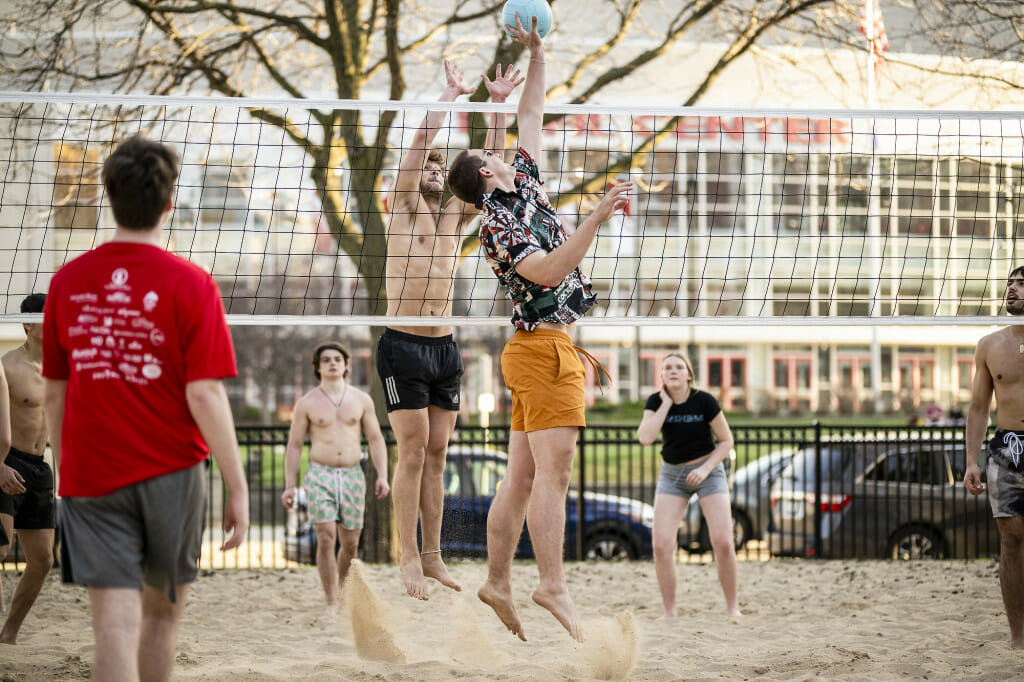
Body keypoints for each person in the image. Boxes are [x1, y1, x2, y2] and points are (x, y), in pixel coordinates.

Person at [447, 14, 633, 643]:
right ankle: (550, 583)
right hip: (544, 349)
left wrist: (539, 51)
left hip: (539, 349)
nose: (495, 149)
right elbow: (551, 271)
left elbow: (531, 114)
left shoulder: (520, 182)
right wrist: (597, 217)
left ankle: (498, 579)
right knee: (555, 475)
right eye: (487, 153)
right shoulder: (498, 225)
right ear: (484, 175)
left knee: (522, 478)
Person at [41, 135, 249, 681]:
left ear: (109, 195)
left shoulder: (66, 283)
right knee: (160, 620)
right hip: (173, 474)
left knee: (113, 625)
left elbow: (53, 394)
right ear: (169, 202)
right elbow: (204, 394)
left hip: (92, 475)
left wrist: (67, 476)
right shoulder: (193, 284)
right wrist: (238, 485)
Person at [378, 58, 522, 600]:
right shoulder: (403, 215)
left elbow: (491, 165)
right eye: (430, 170)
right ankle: (408, 557)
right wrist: (451, 95)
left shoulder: (455, 222)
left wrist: (499, 106)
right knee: (412, 452)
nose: (436, 174)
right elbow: (418, 142)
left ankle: (434, 556)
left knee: (437, 453)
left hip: (444, 348)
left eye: (443, 171)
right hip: (402, 345)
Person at [281, 342, 389, 614]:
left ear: (346, 364)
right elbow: (294, 445)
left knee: (350, 543)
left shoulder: (362, 399)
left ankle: (342, 594)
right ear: (317, 367)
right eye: (326, 359)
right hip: (320, 474)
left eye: (337, 359)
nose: (332, 363)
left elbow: (376, 439)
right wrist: (289, 486)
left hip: (353, 474)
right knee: (327, 538)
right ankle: (330, 600)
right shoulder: (306, 403)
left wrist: (383, 476)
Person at [636, 353, 741, 619]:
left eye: (679, 367)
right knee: (660, 546)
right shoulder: (656, 402)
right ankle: (669, 611)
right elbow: (646, 438)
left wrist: (705, 469)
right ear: (662, 376)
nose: (673, 371)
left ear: (688, 374)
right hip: (672, 476)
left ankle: (732, 608)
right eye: (667, 367)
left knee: (724, 543)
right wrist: (665, 404)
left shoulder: (703, 401)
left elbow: (727, 441)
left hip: (708, 472)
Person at [965, 265, 1024, 650]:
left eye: (1021, 284)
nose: (1013, 290)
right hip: (1006, 449)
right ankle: (1019, 637)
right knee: (1012, 541)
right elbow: (977, 408)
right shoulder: (989, 344)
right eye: (1011, 284)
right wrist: (972, 461)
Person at [0, 293, 52, 644]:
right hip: (7, 462)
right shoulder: (7, 366)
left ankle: (8, 636)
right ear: (30, 323)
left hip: (39, 466)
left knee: (43, 560)